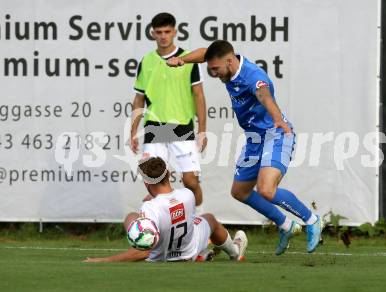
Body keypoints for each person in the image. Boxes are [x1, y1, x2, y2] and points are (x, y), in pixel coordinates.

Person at [166, 40, 323, 255]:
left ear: (229, 62)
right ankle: (286, 226)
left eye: (215, 69)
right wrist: (182, 60)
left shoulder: (253, 77)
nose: (213, 74)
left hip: (276, 134)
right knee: (240, 191)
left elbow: (264, 96)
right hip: (254, 139)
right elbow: (205, 53)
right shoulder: (224, 63)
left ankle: (312, 220)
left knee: (266, 189)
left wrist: (277, 118)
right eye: (210, 69)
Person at [84, 157, 247, 263]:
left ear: (147, 184)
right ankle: (234, 253)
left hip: (161, 258)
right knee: (209, 219)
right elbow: (174, 207)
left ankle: (202, 253)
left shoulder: (150, 207)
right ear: (168, 174)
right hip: (188, 251)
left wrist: (103, 260)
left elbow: (144, 253)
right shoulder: (187, 195)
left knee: (132, 218)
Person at [130, 12, 207, 207]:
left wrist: (203, 131)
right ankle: (167, 228)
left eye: (167, 31)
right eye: (159, 32)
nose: (163, 36)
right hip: (155, 128)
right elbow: (139, 99)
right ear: (153, 34)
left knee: (190, 182)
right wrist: (132, 132)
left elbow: (199, 96)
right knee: (155, 184)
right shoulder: (146, 61)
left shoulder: (188, 59)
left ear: (175, 32)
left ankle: (197, 219)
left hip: (181, 126)